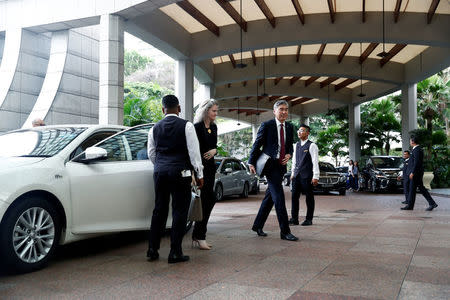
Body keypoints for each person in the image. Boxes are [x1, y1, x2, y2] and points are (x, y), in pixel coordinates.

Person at [146, 95, 204, 264]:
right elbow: (194, 153)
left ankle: (152, 249)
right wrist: (199, 175)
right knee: (179, 211)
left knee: (159, 210)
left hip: (160, 173)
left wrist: (162, 166)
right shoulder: (187, 126)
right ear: (179, 108)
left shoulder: (154, 128)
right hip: (181, 172)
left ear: (163, 109)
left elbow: (151, 153)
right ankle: (175, 252)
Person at [248, 100, 298, 241]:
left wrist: (289, 154)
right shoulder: (267, 125)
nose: (284, 112)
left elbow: (289, 146)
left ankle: (257, 225)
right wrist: (251, 161)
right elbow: (257, 144)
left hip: (281, 165)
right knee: (279, 197)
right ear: (274, 111)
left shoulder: (289, 127)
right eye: (281, 109)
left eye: (286, 109)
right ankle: (285, 231)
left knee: (270, 198)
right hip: (269, 165)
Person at [192, 99, 219, 250]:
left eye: (216, 111)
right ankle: (199, 235)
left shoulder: (214, 127)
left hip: (210, 169)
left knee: (209, 199)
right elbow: (192, 150)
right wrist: (194, 173)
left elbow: (214, 146)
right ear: (206, 111)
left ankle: (199, 234)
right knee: (205, 200)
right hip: (199, 170)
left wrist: (215, 150)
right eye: (213, 111)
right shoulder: (196, 128)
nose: (216, 113)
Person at [289, 125, 319, 226]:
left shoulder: (312, 145)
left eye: (302, 131)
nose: (299, 132)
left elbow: (315, 162)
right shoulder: (296, 145)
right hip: (297, 176)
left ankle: (309, 219)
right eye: (298, 131)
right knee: (294, 197)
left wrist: (316, 176)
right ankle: (294, 219)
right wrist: (292, 173)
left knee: (309, 198)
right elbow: (294, 161)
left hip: (307, 176)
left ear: (307, 133)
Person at [401, 135, 438, 211]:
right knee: (419, 189)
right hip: (416, 173)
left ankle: (411, 206)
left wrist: (412, 172)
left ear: (413, 141)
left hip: (416, 173)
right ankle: (431, 203)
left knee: (413, 189)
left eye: (410, 140)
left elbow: (417, 162)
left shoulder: (417, 150)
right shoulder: (416, 149)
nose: (410, 142)